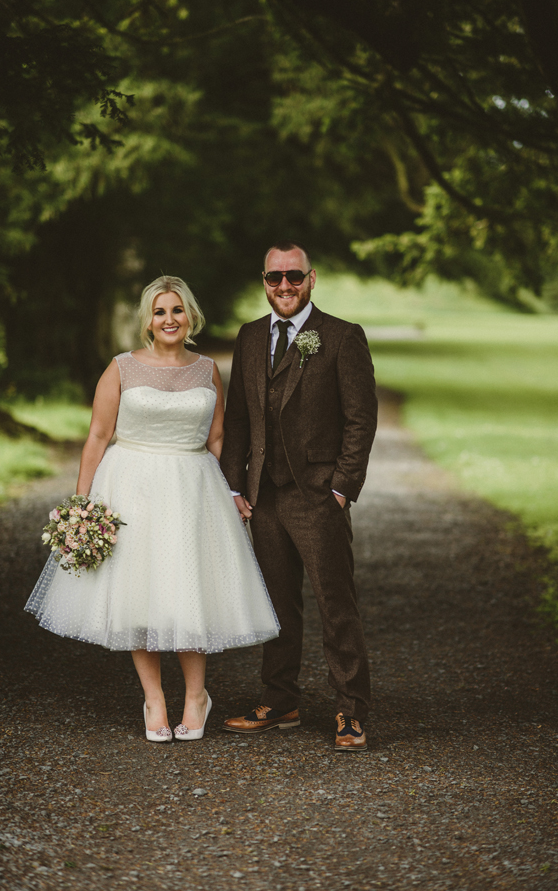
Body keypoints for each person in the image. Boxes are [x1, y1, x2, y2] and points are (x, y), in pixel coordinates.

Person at [26, 276, 279, 743]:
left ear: (191, 317)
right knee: (138, 596)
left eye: (177, 311)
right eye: (160, 311)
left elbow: (218, 437)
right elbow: (98, 437)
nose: (169, 319)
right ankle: (155, 700)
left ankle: (196, 698)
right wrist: (82, 507)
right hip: (131, 490)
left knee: (189, 594)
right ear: (148, 319)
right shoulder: (121, 368)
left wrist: (231, 490)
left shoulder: (207, 371)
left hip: (192, 488)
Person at [221, 241, 377, 750]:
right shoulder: (248, 338)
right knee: (276, 603)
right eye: (274, 277)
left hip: (317, 495)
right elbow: (239, 420)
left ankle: (351, 710)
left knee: (336, 604)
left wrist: (341, 488)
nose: (283, 286)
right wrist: (234, 484)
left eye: (293, 276)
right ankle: (280, 700)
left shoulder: (341, 337)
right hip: (264, 494)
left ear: (311, 279)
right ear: (263, 280)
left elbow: (360, 419)